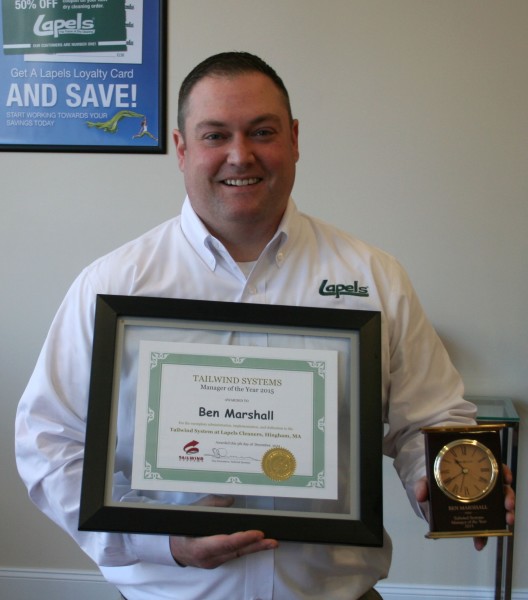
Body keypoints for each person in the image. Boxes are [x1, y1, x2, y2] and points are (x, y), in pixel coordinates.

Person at [15, 51, 514, 600]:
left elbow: (431, 418)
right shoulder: (113, 284)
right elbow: (48, 441)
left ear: (294, 140)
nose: (239, 154)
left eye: (262, 131)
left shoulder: (373, 277)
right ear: (181, 149)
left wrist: (448, 484)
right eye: (214, 135)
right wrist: (164, 540)